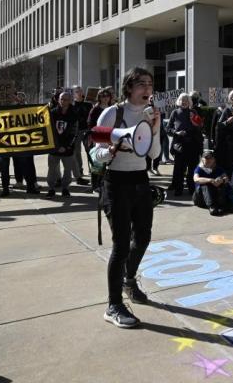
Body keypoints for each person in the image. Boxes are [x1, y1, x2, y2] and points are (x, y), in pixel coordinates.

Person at [93, 67, 162, 328]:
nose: (147, 89)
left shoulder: (151, 114)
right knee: (121, 244)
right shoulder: (113, 113)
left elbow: (153, 154)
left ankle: (128, 280)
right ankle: (114, 304)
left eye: (150, 84)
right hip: (116, 183)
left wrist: (155, 128)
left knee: (143, 237)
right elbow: (94, 154)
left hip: (140, 181)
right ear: (129, 87)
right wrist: (109, 151)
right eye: (142, 84)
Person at [167, 93, 201, 197]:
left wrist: (193, 121)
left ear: (190, 102)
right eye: (182, 100)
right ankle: (178, 189)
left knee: (192, 169)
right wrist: (176, 133)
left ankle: (192, 189)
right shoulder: (175, 112)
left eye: (186, 100)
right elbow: (168, 129)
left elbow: (199, 127)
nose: (184, 102)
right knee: (179, 169)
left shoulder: (193, 112)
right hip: (179, 144)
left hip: (192, 144)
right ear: (179, 101)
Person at [46, 91, 78, 198]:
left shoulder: (74, 115)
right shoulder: (52, 113)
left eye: (66, 99)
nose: (63, 101)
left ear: (70, 101)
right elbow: (49, 131)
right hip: (54, 148)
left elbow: (74, 133)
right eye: (62, 99)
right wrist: (57, 146)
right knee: (52, 170)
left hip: (67, 149)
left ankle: (65, 188)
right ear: (58, 100)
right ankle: (51, 189)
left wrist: (66, 146)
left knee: (67, 170)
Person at [192, 150, 230, 216]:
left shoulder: (218, 169)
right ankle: (211, 206)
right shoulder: (199, 169)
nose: (208, 160)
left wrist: (221, 180)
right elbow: (196, 179)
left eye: (210, 158)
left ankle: (220, 205)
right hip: (201, 198)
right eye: (206, 158)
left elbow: (226, 178)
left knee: (222, 185)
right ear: (202, 159)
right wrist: (210, 180)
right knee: (205, 185)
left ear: (214, 159)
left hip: (215, 197)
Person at [71, 86, 92, 185]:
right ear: (74, 94)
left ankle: (92, 170)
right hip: (76, 131)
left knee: (90, 151)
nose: (79, 93)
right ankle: (79, 170)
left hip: (86, 130)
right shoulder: (72, 105)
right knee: (76, 152)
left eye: (80, 91)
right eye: (77, 91)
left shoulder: (88, 104)